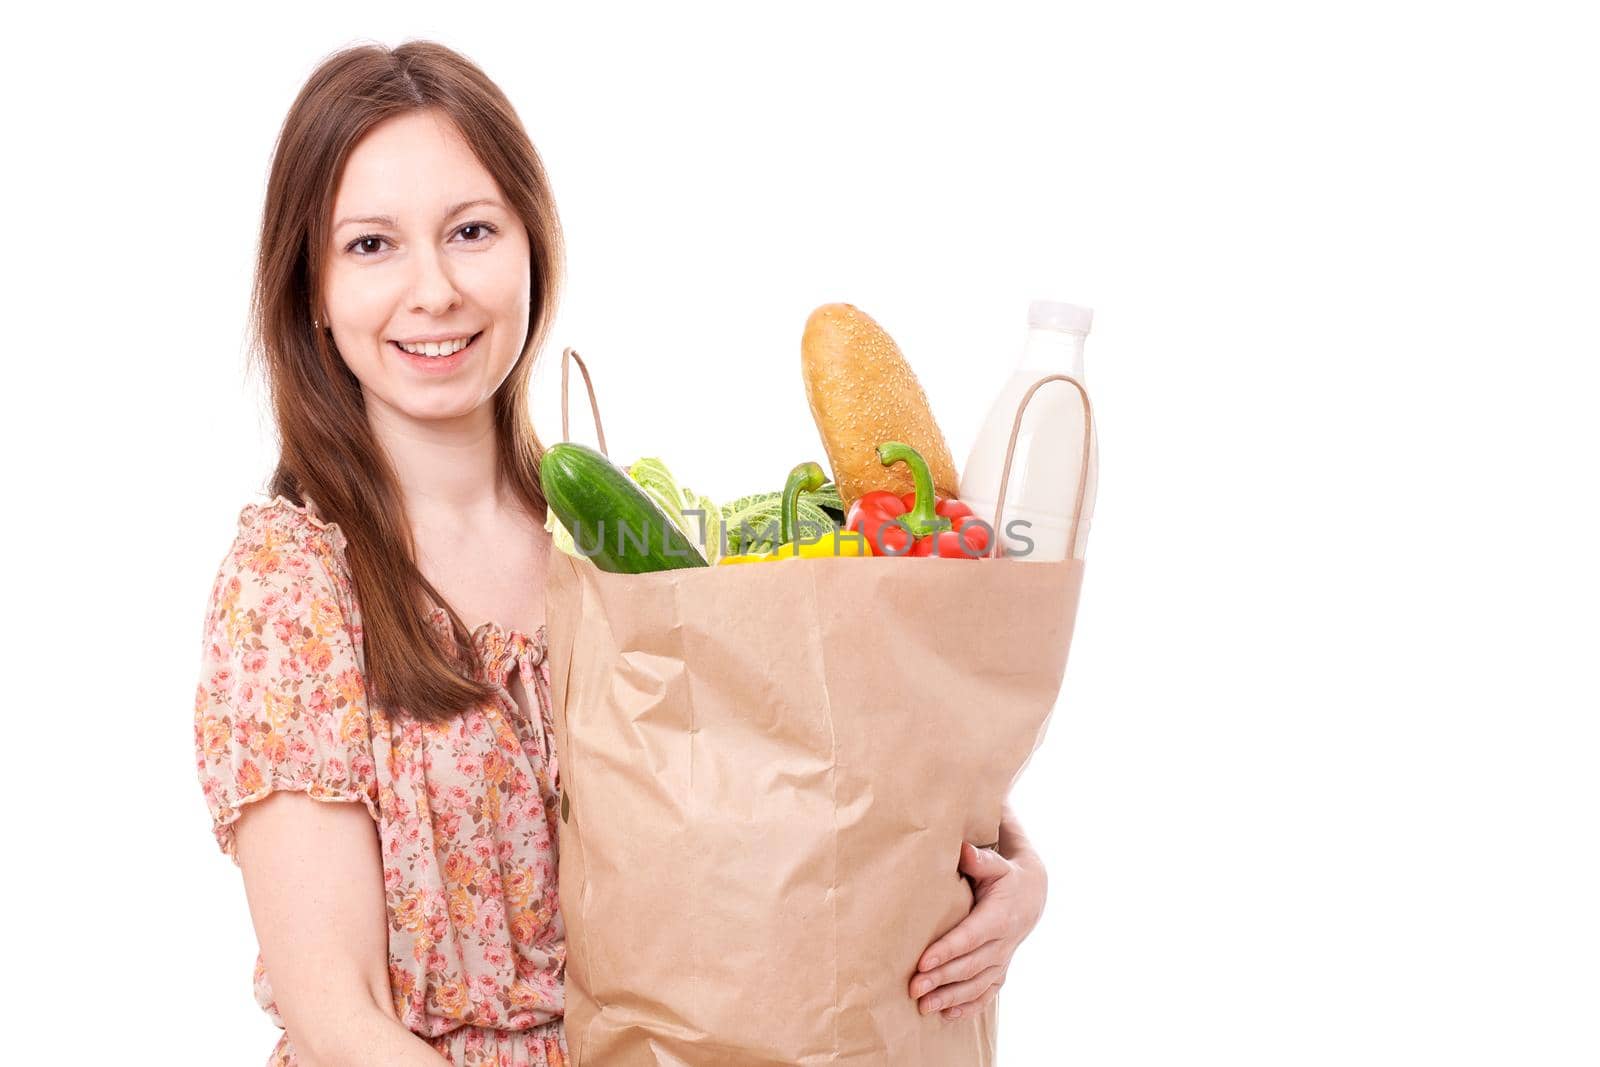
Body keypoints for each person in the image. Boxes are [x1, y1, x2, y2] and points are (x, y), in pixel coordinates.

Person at [192, 39, 1049, 1067]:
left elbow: (817, 797)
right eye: (372, 245)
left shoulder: (625, 545)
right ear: (313, 290)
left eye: (470, 231)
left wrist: (1005, 878)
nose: (434, 291)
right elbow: (337, 1013)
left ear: (530, 249)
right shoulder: (289, 587)